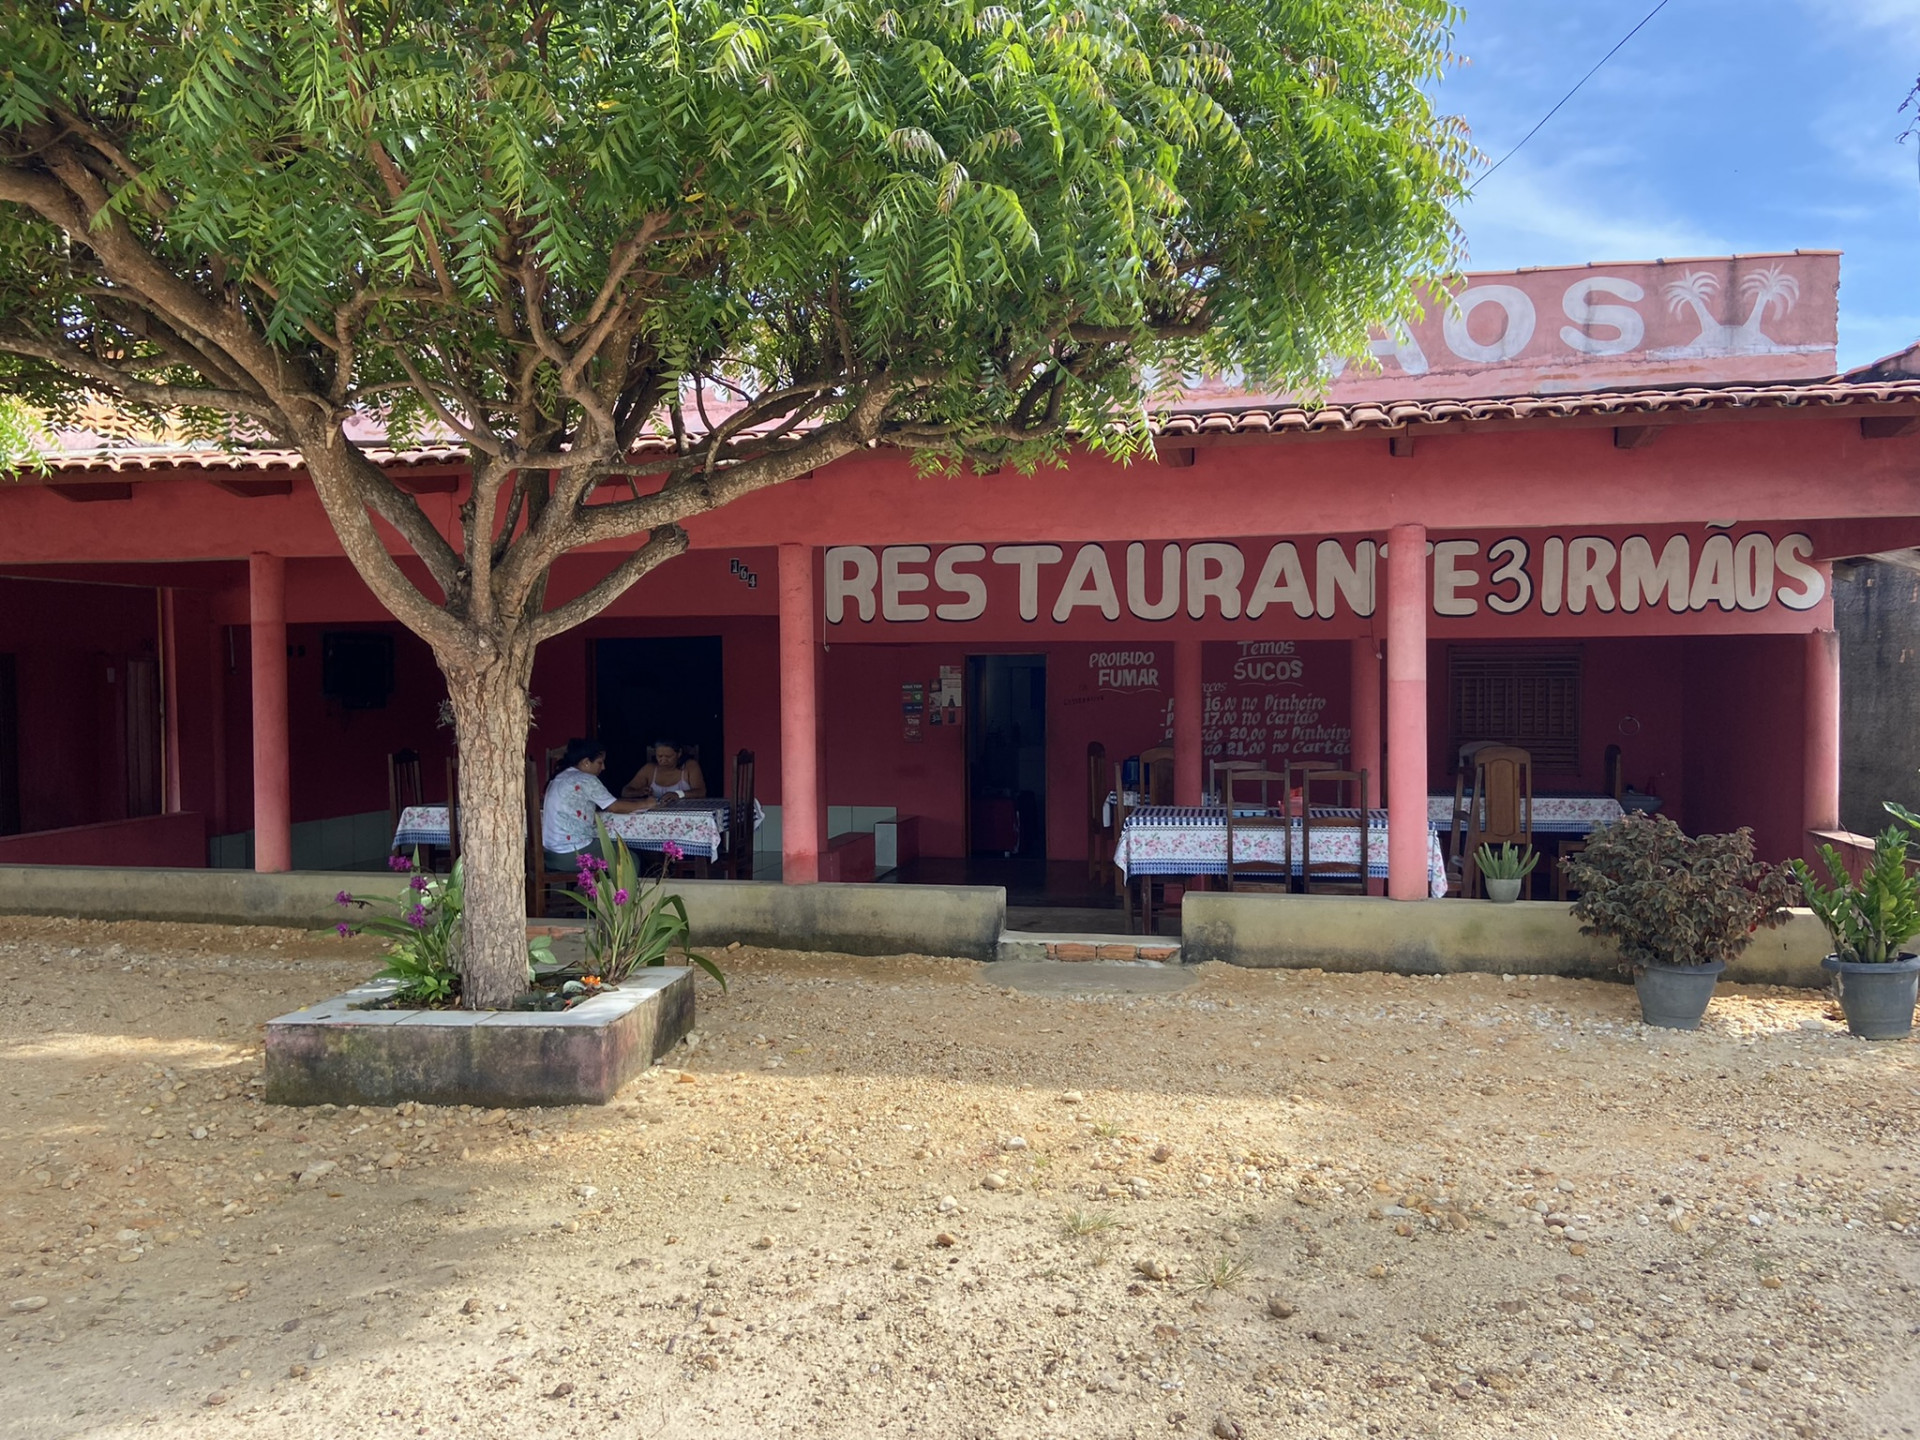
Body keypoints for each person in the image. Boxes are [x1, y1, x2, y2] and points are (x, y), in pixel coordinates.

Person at [542, 737, 649, 871]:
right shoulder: (586, 779)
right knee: (629, 858)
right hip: (571, 854)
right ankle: (622, 892)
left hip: (551, 854)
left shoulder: (560, 777)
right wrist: (646, 802)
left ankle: (604, 890)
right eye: (600, 762)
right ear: (586, 762)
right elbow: (614, 806)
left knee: (613, 847)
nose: (603, 767)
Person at [622, 740, 707, 801]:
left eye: (668, 756)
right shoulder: (649, 769)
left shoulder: (690, 766)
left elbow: (701, 791)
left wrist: (679, 794)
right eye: (660, 756)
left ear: (679, 753)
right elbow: (625, 792)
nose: (663, 760)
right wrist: (639, 792)